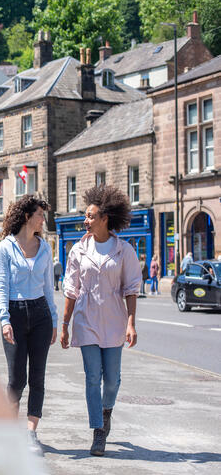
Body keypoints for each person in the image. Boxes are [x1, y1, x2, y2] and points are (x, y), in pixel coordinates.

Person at [60, 185, 140, 457]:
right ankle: (98, 431)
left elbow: (130, 289)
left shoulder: (123, 250)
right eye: (86, 215)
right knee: (93, 376)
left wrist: (131, 323)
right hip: (86, 321)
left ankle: (107, 411)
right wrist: (65, 325)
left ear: (105, 218)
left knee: (113, 380)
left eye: (91, 216)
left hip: (115, 322)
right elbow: (71, 290)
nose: (86, 220)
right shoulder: (78, 250)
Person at [0, 195, 58, 454]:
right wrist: (4, 319)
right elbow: (0, 286)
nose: (44, 219)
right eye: (40, 215)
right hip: (15, 314)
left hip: (41, 313)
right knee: (16, 379)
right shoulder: (5, 248)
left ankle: (31, 433)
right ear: (27, 216)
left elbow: (49, 288)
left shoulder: (45, 248)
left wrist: (54, 320)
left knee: (38, 377)